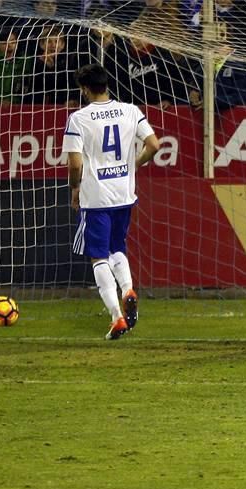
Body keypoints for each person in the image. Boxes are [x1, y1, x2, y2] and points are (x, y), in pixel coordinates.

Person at [62, 64, 161, 340]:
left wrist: (75, 188)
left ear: (84, 89)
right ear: (106, 85)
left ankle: (117, 317)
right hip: (124, 194)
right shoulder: (131, 110)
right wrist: (134, 165)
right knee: (118, 246)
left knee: (98, 256)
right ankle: (128, 288)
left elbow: (74, 163)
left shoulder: (79, 119)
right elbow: (153, 144)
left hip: (96, 197)